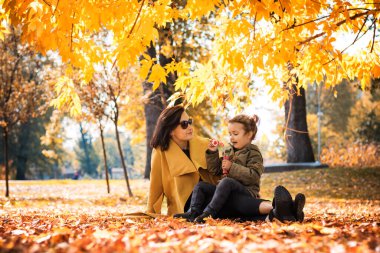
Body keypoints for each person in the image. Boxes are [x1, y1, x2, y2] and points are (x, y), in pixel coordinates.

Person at [174, 114, 306, 223]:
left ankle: (209, 214)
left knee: (227, 183)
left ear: (249, 134)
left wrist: (232, 167)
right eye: (230, 134)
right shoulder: (228, 151)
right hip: (225, 195)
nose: (231, 137)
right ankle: (193, 213)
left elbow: (253, 176)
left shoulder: (253, 152)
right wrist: (212, 152)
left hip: (245, 192)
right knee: (201, 186)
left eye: (235, 133)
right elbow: (215, 171)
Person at [146, 105, 220, 216]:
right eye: (184, 124)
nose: (190, 127)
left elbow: (218, 175)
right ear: (171, 130)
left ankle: (256, 208)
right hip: (185, 207)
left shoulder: (205, 144)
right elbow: (155, 187)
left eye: (190, 122)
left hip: (213, 200)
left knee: (238, 203)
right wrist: (151, 213)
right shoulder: (161, 151)